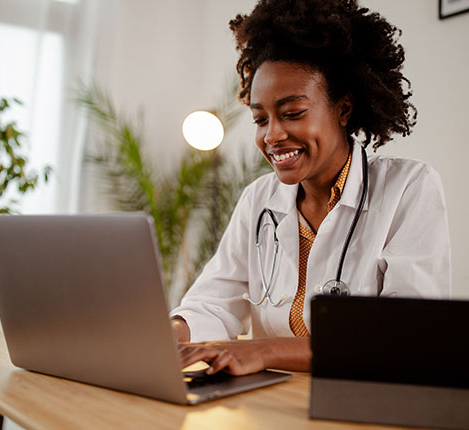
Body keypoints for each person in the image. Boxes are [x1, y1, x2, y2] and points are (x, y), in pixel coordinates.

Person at [170, 0, 451, 376]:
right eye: (260, 119)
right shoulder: (258, 199)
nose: (272, 135)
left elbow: (404, 337)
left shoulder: (408, 188)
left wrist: (265, 351)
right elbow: (212, 303)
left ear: (344, 108)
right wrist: (168, 334)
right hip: (273, 399)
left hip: (359, 399)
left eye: (293, 114)